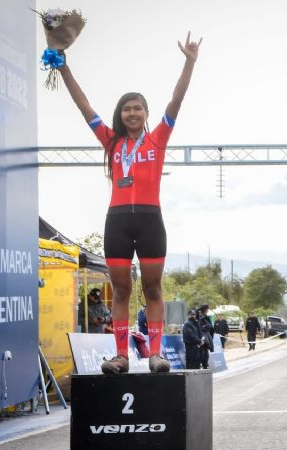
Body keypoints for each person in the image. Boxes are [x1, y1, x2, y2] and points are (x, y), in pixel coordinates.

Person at [59, 32, 202, 374]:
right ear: (120, 114)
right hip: (118, 221)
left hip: (151, 220)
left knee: (153, 288)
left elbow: (176, 100)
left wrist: (189, 62)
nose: (132, 113)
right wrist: (62, 67)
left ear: (146, 113)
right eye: (127, 108)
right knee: (120, 291)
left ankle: (155, 354)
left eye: (138, 108)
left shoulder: (158, 138)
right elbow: (84, 107)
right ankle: (121, 356)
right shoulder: (110, 141)